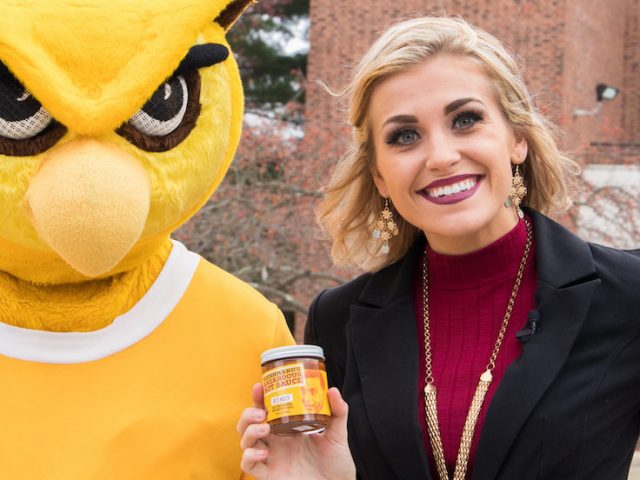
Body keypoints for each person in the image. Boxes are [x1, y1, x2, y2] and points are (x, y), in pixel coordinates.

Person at [238, 15, 640, 480]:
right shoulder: (339, 318)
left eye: (465, 120)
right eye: (404, 136)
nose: (442, 156)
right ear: (380, 176)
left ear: (517, 139)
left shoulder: (627, 296)